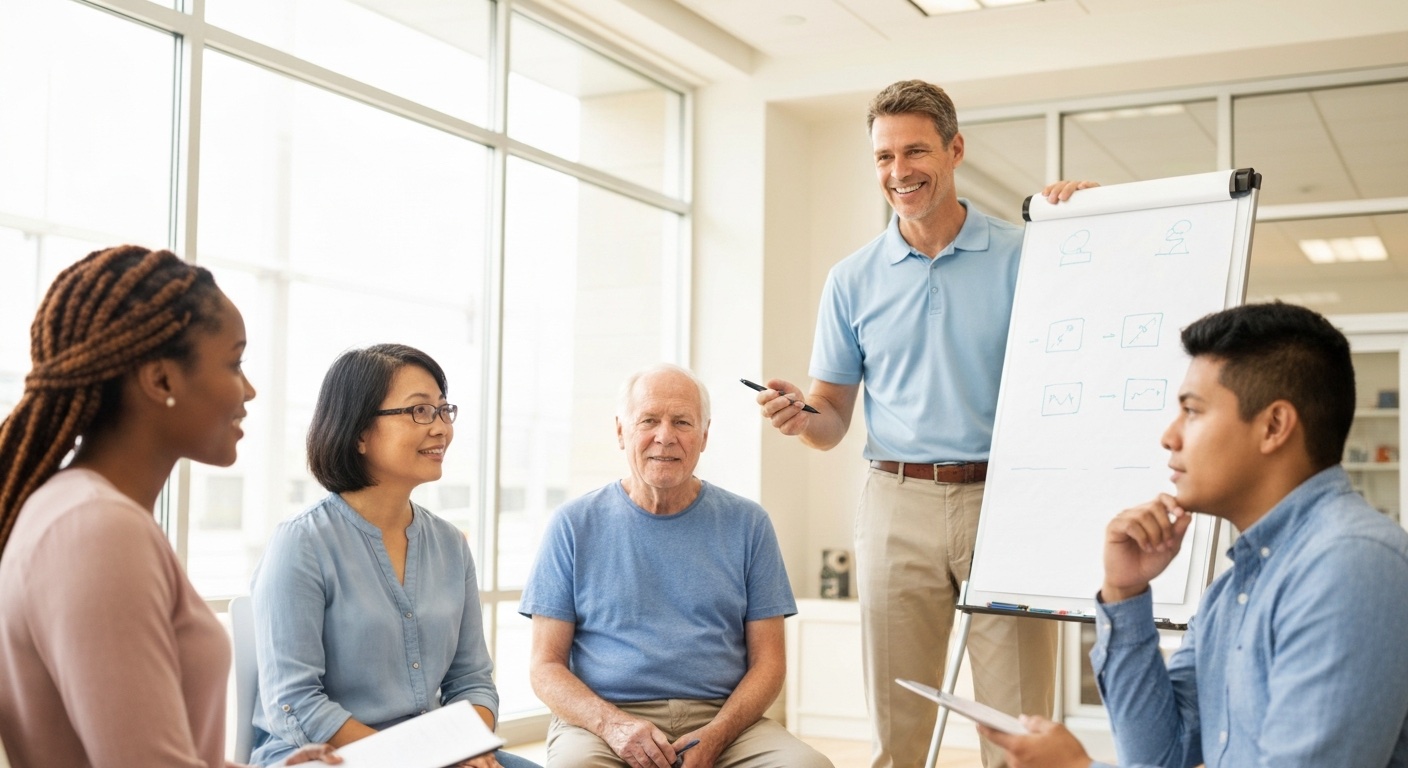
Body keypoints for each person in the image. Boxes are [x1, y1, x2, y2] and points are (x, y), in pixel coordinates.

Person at [754, 79, 1095, 768]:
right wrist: (799, 419)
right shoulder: (851, 279)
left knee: (1018, 723)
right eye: (883, 156)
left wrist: (1092, 225)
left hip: (1005, 500)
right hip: (896, 502)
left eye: (915, 151)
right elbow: (831, 418)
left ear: (954, 150)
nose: (898, 171)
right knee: (898, 724)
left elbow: (1092, 342)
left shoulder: (1026, 253)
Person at [978, 302, 1408, 767]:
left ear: (1273, 426)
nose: (1169, 436)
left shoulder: (1353, 565)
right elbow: (1160, 755)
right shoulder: (1235, 587)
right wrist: (1124, 592)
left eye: (1191, 411)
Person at [0, 245, 339, 768]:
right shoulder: (97, 529)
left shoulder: (89, 514)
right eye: (235, 362)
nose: (249, 390)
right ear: (161, 380)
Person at [520, 364, 833, 768]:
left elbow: (769, 663)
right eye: (648, 420)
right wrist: (613, 726)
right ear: (621, 431)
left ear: (704, 435)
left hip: (725, 718)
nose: (665, 436)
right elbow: (545, 667)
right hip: (603, 719)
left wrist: (718, 734)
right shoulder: (573, 524)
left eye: (682, 422)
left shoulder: (749, 524)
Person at [248, 344, 539, 768]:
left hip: (437, 753)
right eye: (420, 411)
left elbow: (471, 680)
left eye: (443, 410)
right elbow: (295, 702)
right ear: (359, 433)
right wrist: (419, 756)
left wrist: (469, 747)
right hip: (326, 757)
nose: (441, 428)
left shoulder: (450, 544)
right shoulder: (301, 543)